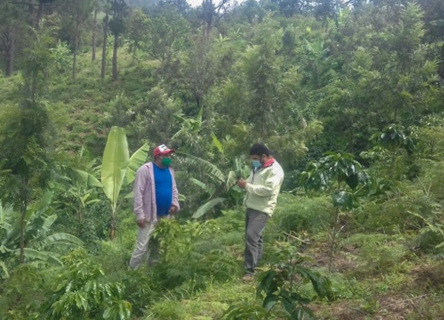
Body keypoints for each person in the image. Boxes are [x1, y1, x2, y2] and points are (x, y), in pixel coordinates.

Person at [128, 144, 180, 270]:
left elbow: (174, 189)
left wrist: (175, 204)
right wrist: (140, 215)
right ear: (157, 157)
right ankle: (130, 274)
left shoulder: (170, 170)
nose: (168, 157)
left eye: (169, 155)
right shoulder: (145, 170)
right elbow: (138, 193)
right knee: (142, 248)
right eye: (165, 155)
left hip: (165, 215)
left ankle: (152, 273)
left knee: (158, 246)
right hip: (149, 216)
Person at [237, 143, 284, 281]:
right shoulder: (259, 167)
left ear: (264, 156)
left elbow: (267, 190)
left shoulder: (275, 170)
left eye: (255, 158)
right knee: (257, 238)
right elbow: (254, 182)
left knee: (251, 237)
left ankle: (249, 271)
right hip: (251, 206)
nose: (253, 160)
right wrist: (245, 183)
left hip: (263, 208)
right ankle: (257, 265)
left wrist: (247, 186)